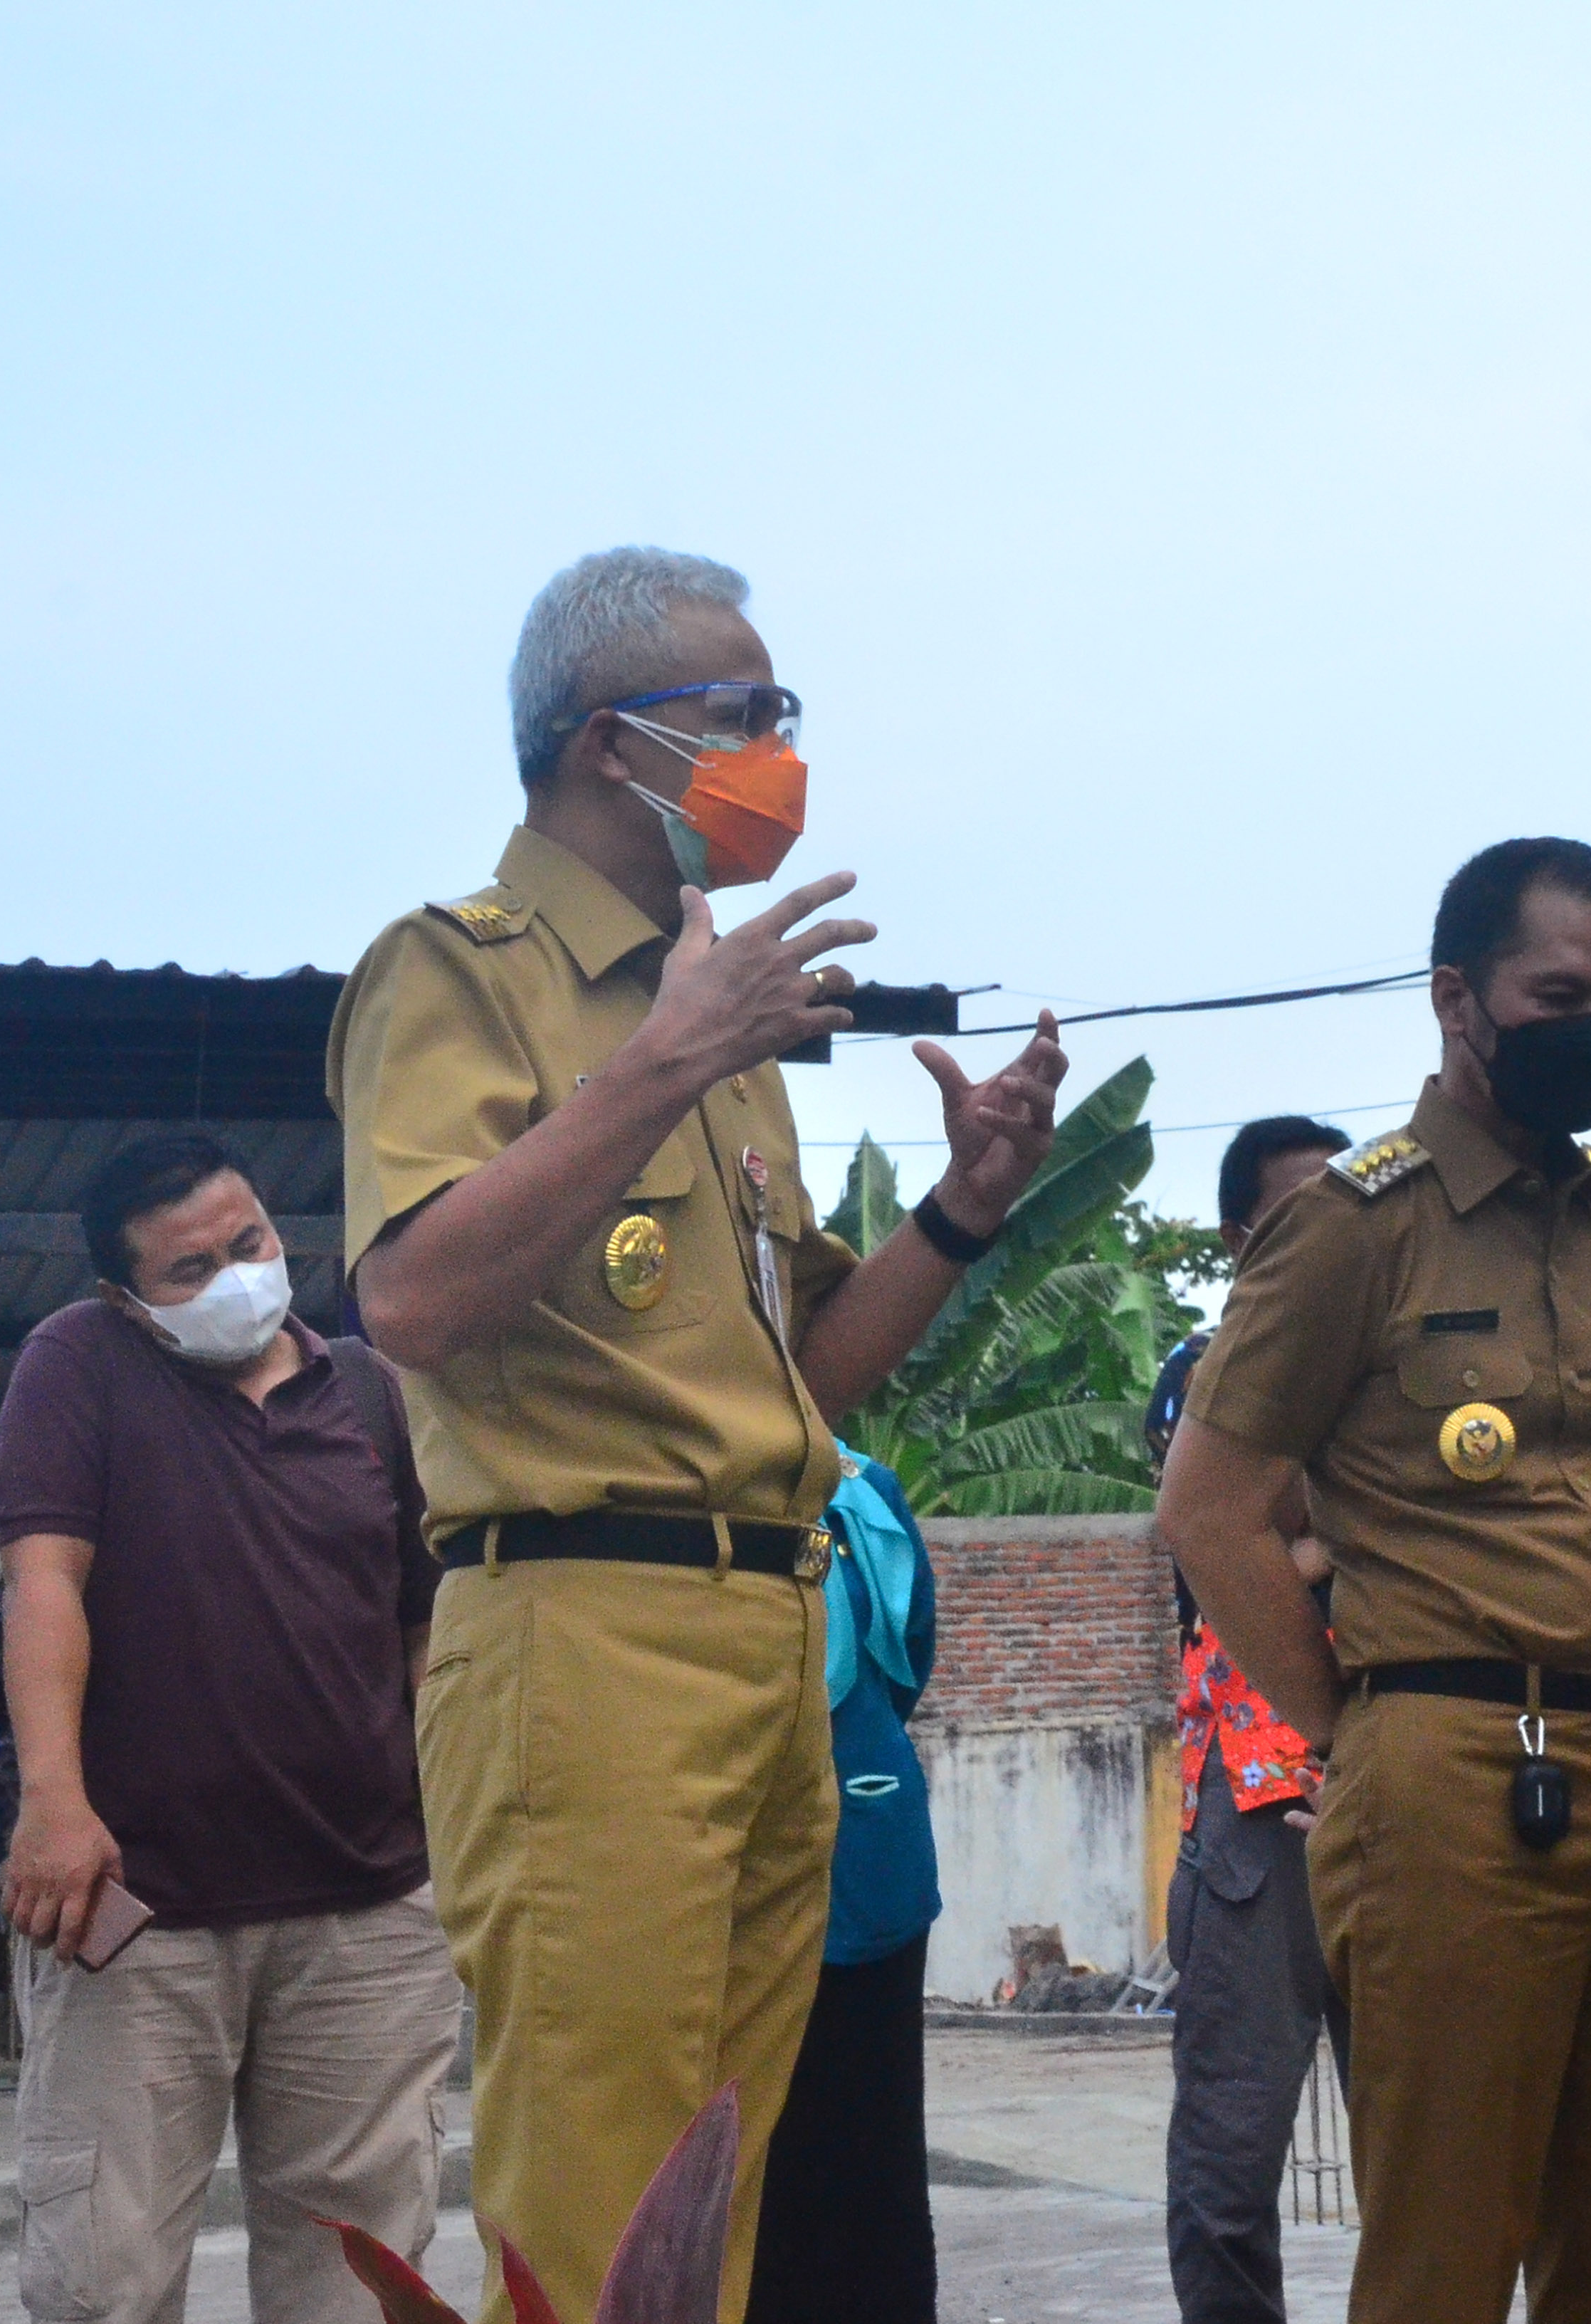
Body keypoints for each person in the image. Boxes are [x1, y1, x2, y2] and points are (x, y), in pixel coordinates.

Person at [329, 545, 1068, 2320]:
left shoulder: (716, 1013)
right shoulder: (461, 973)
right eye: (743, 713)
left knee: (718, 2195)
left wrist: (962, 1212)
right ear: (608, 743)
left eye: (782, 714)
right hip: (579, 1631)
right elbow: (415, 1303)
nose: (781, 754)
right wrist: (659, 1060)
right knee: (596, 2200)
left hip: (766, 1630)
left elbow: (797, 1384)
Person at [1154, 838, 1591, 2324]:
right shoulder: (1350, 1229)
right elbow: (1209, 1507)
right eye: (1559, 992)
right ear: (1456, 999)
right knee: (1447, 2248)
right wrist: (1357, 1730)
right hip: (1454, 1769)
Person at [0, 1136, 463, 2324]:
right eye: (188, 1268)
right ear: (122, 1296)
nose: (234, 1276)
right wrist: (54, 1800)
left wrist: (450, 1821)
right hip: (136, 1918)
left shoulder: (368, 1388)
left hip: (364, 1919)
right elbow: (42, 1579)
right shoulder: (81, 1364)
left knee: (358, 2290)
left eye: (248, 1242)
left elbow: (426, 1632)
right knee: (101, 2284)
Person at [1162, 1114, 1356, 2324]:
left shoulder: (1391, 1357)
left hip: (1400, 1775)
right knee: (1233, 2157)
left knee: (1432, 2148)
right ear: (1242, 1240)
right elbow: (1225, 1513)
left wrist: (1311, 1529)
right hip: (1258, 1796)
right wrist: (1335, 1521)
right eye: (1303, 1211)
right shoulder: (1205, 1366)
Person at [750, 1440, 943, 2324]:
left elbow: (904, 1653)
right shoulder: (858, 1489)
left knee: (861, 2166)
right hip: (815, 1846)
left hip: (859, 1870)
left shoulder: (856, 1493)